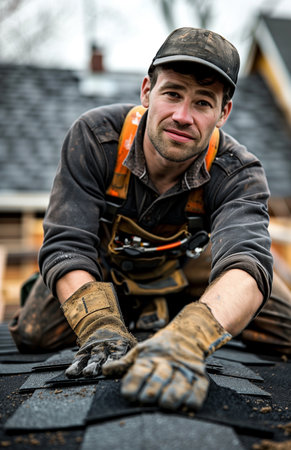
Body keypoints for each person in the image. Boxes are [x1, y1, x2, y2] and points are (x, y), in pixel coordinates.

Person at [9, 27, 291, 412]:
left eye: (203, 103)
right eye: (172, 93)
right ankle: (130, 310)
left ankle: (172, 312)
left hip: (192, 266)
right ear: (146, 91)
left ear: (223, 113)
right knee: (33, 333)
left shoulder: (237, 170)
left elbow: (246, 263)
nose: (182, 116)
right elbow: (66, 246)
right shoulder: (95, 138)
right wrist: (100, 327)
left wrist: (191, 337)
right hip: (106, 266)